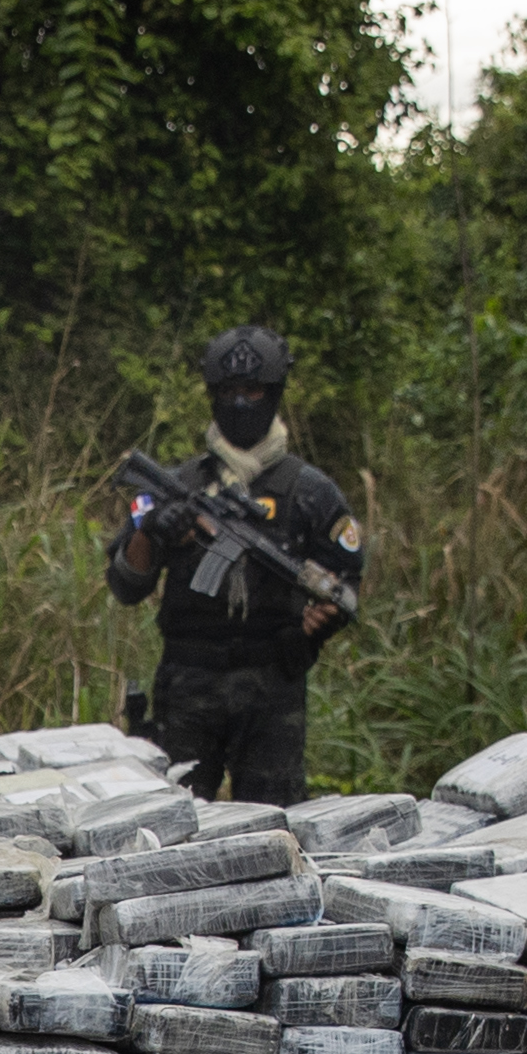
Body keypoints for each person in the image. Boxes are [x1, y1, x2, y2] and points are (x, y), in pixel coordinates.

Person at [104, 323, 367, 807]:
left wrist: (321, 621)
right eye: (229, 391)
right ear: (212, 394)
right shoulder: (178, 483)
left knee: (273, 826)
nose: (241, 402)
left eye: (253, 390)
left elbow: (346, 584)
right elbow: (125, 584)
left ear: (274, 393)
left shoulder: (311, 492)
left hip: (272, 687)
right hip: (187, 684)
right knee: (171, 824)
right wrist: (155, 527)